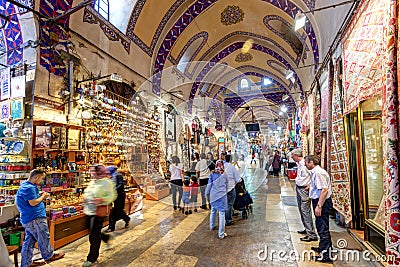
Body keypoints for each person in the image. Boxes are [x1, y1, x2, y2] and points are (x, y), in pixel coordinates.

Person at [16, 169, 65, 267]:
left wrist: (40, 195)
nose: (41, 181)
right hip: (35, 218)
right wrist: (43, 196)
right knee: (43, 237)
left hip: (30, 218)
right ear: (35, 177)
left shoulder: (27, 186)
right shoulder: (28, 188)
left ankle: (26, 263)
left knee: (29, 241)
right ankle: (49, 256)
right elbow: (33, 202)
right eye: (41, 178)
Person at [82, 164, 117, 267]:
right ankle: (105, 238)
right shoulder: (93, 181)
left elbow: (112, 195)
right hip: (88, 210)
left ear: (98, 172)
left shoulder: (107, 182)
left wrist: (102, 199)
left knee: (93, 235)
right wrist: (85, 197)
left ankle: (92, 258)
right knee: (92, 232)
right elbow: (88, 193)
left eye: (92, 171)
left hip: (98, 212)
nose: (90, 173)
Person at [304, 155, 333, 263]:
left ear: (311, 162)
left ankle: (326, 255)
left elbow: (324, 190)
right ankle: (323, 248)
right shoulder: (316, 172)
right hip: (321, 201)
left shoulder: (318, 173)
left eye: (306, 163)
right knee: (321, 226)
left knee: (322, 228)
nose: (305, 165)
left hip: (322, 202)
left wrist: (319, 206)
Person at [291, 149, 318, 242]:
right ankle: (307, 229)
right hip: (300, 188)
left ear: (296, 155)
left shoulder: (305, 165)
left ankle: (311, 234)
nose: (291, 157)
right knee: (302, 210)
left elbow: (314, 174)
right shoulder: (300, 164)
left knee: (305, 211)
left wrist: (311, 185)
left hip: (304, 190)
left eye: (292, 155)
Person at [205, 161, 229, 239]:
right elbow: (227, 186)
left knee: (213, 210)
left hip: (213, 195)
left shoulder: (212, 175)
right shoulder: (225, 175)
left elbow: (209, 185)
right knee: (222, 214)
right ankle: (221, 234)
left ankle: (212, 226)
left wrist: (206, 193)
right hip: (222, 196)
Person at [105, 163, 130, 233]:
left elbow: (120, 185)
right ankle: (111, 226)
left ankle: (126, 218)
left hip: (120, 195)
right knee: (114, 211)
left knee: (118, 210)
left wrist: (113, 189)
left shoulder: (118, 175)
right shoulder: (111, 176)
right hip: (114, 195)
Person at [224, 154, 241, 226]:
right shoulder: (232, 167)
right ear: (231, 160)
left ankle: (223, 219)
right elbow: (238, 179)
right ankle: (228, 220)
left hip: (222, 189)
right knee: (229, 204)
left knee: (224, 204)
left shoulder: (222, 166)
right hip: (230, 188)